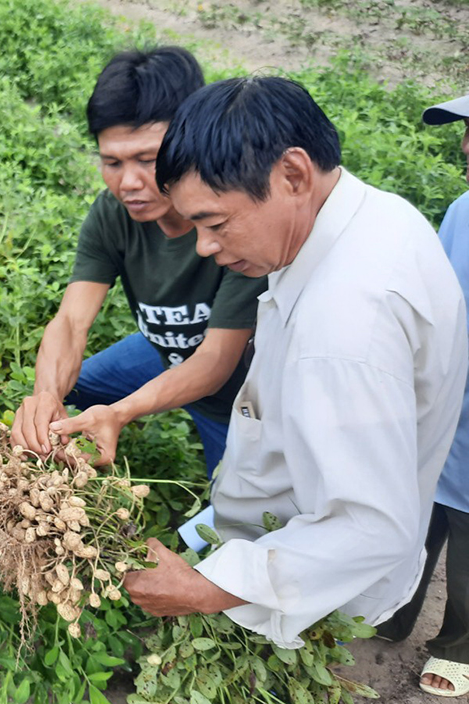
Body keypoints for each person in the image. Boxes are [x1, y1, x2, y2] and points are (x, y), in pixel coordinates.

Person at [108, 76, 468, 651]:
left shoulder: (349, 323)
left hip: (303, 580)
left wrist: (209, 589)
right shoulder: (363, 217)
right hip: (272, 519)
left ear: (293, 174)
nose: (204, 247)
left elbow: (371, 526)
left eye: (215, 223)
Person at [11, 48, 267, 476]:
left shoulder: (231, 221)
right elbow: (72, 321)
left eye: (147, 160)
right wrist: (45, 396)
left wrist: (122, 411)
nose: (128, 183)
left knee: (233, 519)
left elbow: (214, 361)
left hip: (234, 397)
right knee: (74, 388)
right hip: (162, 348)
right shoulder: (112, 215)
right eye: (112, 162)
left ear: (189, 141)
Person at [375, 92, 469, 697]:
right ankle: (395, 610)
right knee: (417, 505)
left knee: (465, 525)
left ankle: (458, 644)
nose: (464, 146)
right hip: (445, 390)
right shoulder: (461, 209)